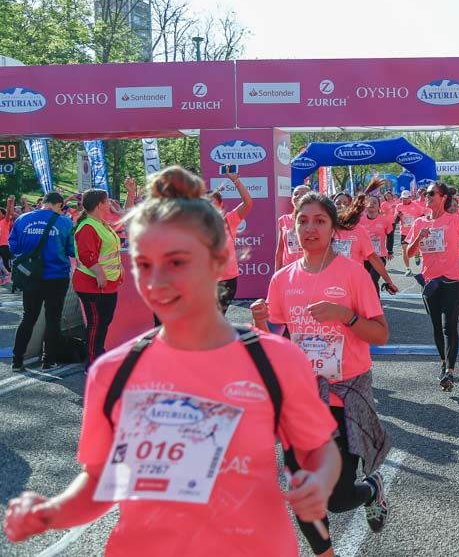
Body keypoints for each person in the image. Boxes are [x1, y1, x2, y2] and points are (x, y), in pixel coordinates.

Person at [2, 167, 341, 556]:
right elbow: (101, 480)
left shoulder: (274, 359)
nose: (156, 281)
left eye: (177, 262)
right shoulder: (114, 372)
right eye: (144, 265)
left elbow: (319, 447)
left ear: (218, 261)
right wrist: (49, 513)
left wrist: (319, 480)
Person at [255, 190, 392, 555]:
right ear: (293, 228)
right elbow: (278, 343)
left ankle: (371, 489)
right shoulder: (282, 279)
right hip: (300, 399)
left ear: (334, 229)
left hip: (343, 396)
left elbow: (380, 333)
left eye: (319, 221)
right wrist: (260, 327)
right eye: (303, 221)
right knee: (302, 490)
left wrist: (344, 315)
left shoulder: (352, 275)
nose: (310, 228)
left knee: (337, 497)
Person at [407, 182, 459, 391]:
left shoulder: (455, 220)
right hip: (430, 282)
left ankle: (450, 371)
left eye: (431, 193)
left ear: (443, 198)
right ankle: (443, 362)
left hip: (452, 280)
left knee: (450, 326)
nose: (427, 197)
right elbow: (410, 254)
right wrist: (419, 239)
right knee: (436, 327)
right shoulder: (419, 223)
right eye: (425, 194)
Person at [9, 192, 75, 371]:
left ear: (43, 203)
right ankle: (48, 361)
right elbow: (72, 251)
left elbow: (13, 246)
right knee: (53, 319)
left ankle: (17, 360)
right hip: (56, 277)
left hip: (31, 277)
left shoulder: (22, 219)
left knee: (28, 318)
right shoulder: (65, 222)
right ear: (60, 205)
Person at [73, 189, 124, 369]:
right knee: (96, 324)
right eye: (107, 201)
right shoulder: (88, 225)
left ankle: (98, 355)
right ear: (99, 204)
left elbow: (112, 244)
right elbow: (87, 255)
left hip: (107, 284)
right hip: (92, 285)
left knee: (103, 323)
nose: (109, 203)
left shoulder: (100, 223)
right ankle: (93, 362)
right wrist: (100, 273)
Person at [207, 171, 253, 313]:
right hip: (204, 280)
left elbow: (248, 203)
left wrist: (236, 181)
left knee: (218, 317)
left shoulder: (229, 220)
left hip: (227, 280)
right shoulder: (195, 225)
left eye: (212, 203)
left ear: (220, 205)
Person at [359, 195, 397, 292]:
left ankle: (375, 304)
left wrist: (390, 250)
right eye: (369, 202)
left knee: (372, 279)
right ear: (365, 205)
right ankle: (370, 302)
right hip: (363, 257)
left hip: (379, 256)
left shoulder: (385, 220)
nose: (371, 204)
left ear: (379, 206)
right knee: (366, 281)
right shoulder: (360, 221)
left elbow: (390, 235)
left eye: (375, 202)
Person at [275, 184, 311, 270]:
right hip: (289, 269)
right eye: (295, 194)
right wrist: (277, 273)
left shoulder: (315, 220)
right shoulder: (283, 220)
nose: (298, 196)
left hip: (310, 268)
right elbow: (280, 250)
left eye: (303, 194)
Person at [394, 190, 426, 276]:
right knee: (404, 249)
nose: (404, 200)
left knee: (415, 248)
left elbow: (422, 217)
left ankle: (416, 255)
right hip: (404, 232)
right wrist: (398, 216)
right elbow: (395, 221)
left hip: (415, 231)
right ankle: (407, 268)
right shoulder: (398, 206)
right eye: (402, 198)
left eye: (406, 198)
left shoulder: (416, 206)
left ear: (410, 198)